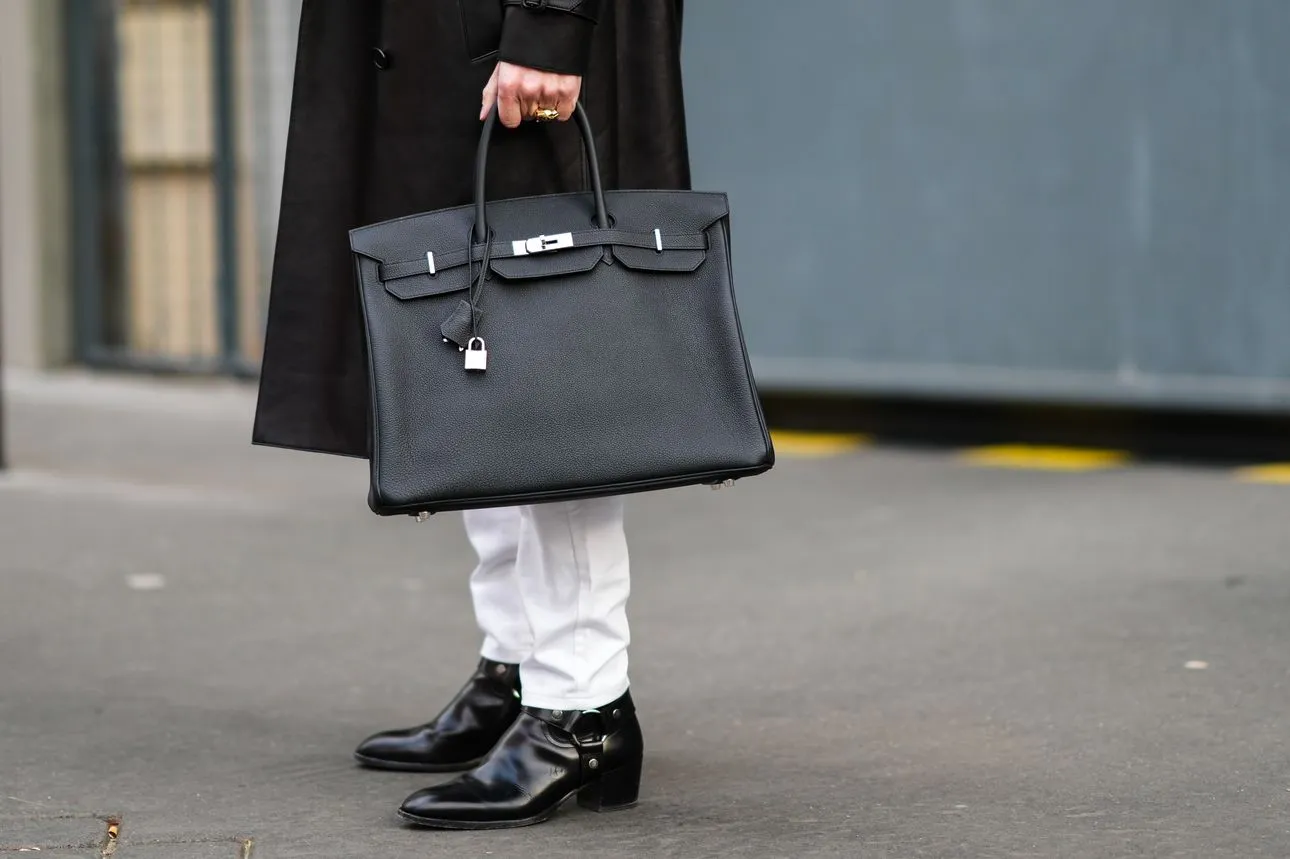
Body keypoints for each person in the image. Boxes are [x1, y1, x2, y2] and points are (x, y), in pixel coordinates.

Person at [252, 0, 690, 830]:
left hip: (519, 34)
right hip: (442, 39)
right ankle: (522, 664)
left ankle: (580, 703)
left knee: (555, 369)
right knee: (466, 340)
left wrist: (551, 26)